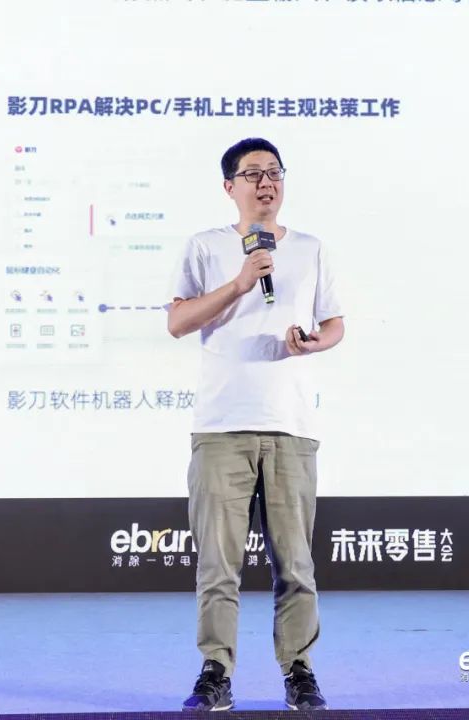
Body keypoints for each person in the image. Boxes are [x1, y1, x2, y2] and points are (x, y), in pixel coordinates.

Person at [168, 138, 344, 711]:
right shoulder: (206, 246)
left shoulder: (311, 249)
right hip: (222, 425)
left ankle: (300, 671)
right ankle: (216, 671)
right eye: (253, 174)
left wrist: (313, 341)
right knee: (218, 566)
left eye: (274, 172)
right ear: (230, 186)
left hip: (291, 425)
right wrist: (240, 284)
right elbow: (178, 321)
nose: (266, 183)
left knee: (295, 564)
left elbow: (334, 323)